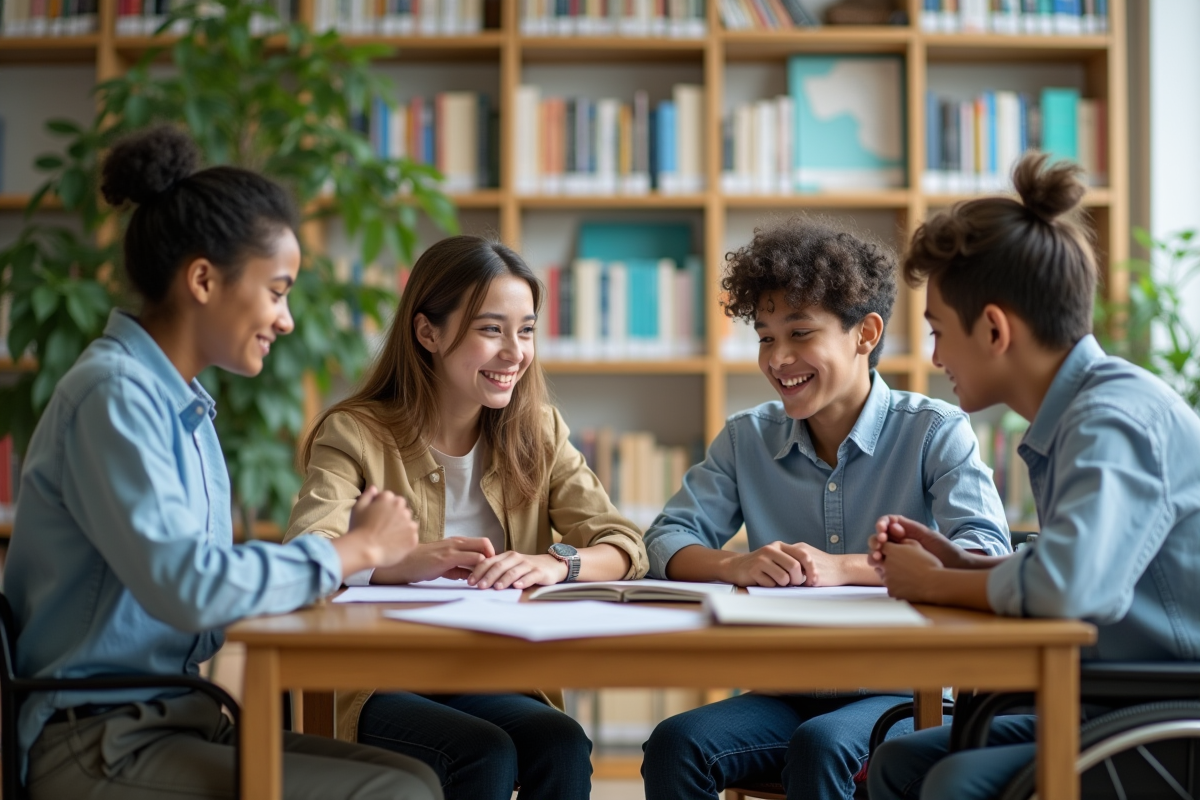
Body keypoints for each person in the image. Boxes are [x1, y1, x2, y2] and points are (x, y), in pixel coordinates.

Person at [2, 126, 442, 800]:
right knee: (400, 793)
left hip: (178, 720)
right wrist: (348, 551)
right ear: (204, 279)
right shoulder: (114, 396)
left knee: (416, 775)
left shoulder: (182, 406)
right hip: (97, 743)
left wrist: (369, 561)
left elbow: (207, 598)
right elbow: (192, 587)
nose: (286, 319)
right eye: (277, 290)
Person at [639, 217, 1011, 800]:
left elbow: (986, 553)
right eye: (764, 337)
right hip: (786, 691)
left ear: (865, 334)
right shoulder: (745, 439)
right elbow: (663, 541)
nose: (778, 359)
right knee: (675, 742)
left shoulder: (936, 432)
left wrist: (848, 567)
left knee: (821, 747)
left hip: (906, 693)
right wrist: (730, 565)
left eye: (800, 334)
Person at [866, 152, 1200, 800]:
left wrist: (936, 582)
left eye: (938, 332)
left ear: (994, 328)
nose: (935, 358)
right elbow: (1080, 567)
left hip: (1165, 720)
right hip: (1115, 704)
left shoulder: (1115, 419)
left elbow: (1070, 587)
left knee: (952, 783)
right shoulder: (1082, 411)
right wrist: (959, 565)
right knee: (898, 762)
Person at [285, 234, 649, 800]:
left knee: (561, 741)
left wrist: (560, 564)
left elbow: (624, 543)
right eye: (490, 329)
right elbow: (306, 549)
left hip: (488, 672)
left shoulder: (540, 430)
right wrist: (393, 564)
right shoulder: (354, 432)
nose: (514, 353)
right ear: (427, 332)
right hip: (377, 681)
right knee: (483, 751)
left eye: (525, 330)